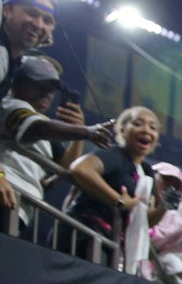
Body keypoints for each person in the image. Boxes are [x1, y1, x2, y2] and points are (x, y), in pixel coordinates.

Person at [0, 54, 113, 235]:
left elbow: (67, 167)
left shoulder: (45, 127)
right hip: (6, 191)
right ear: (17, 83)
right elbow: (38, 128)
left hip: (20, 205)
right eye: (39, 86)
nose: (47, 94)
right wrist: (86, 131)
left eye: (51, 89)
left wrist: (78, 132)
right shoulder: (10, 105)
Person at [62, 105, 162, 265]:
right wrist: (118, 200)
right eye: (138, 124)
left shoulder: (147, 172)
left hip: (112, 243)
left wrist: (164, 206)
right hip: (85, 233)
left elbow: (146, 221)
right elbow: (80, 168)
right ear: (122, 130)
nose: (146, 130)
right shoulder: (114, 154)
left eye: (153, 127)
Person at [0, 0, 56, 98]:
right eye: (32, 13)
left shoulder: (14, 62)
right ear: (6, 10)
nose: (38, 25)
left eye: (47, 20)